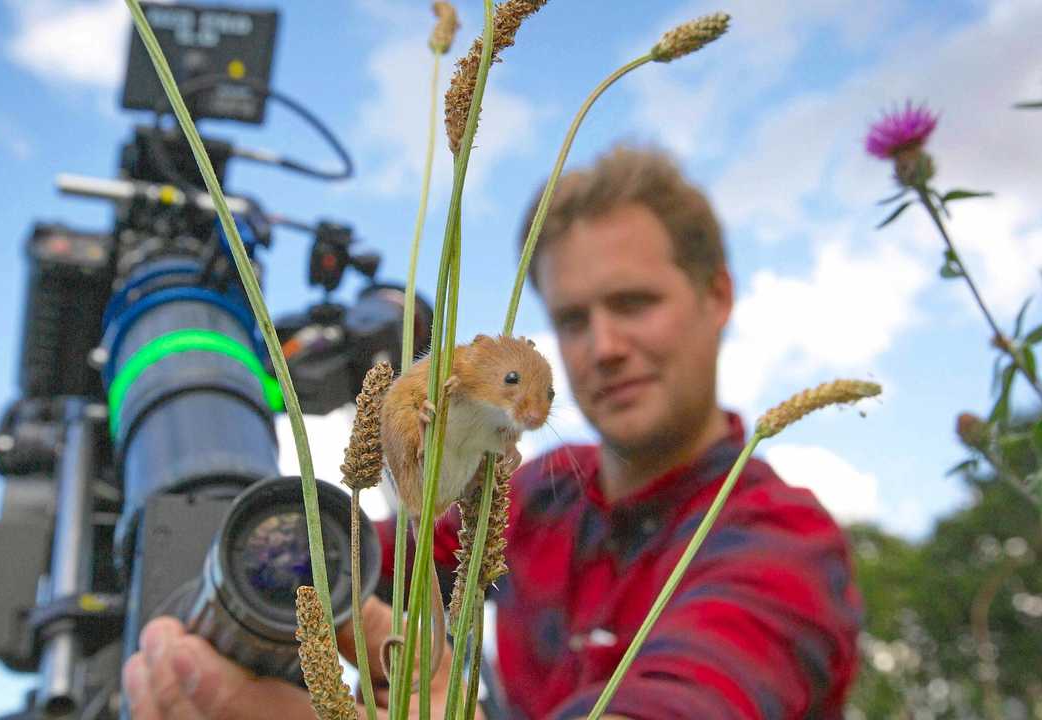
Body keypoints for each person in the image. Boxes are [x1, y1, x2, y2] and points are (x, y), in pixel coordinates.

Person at [122, 144, 861, 719]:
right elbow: (355, 554)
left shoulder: (781, 545)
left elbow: (688, 699)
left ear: (718, 295)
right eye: (573, 319)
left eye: (634, 303)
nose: (603, 346)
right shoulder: (535, 492)